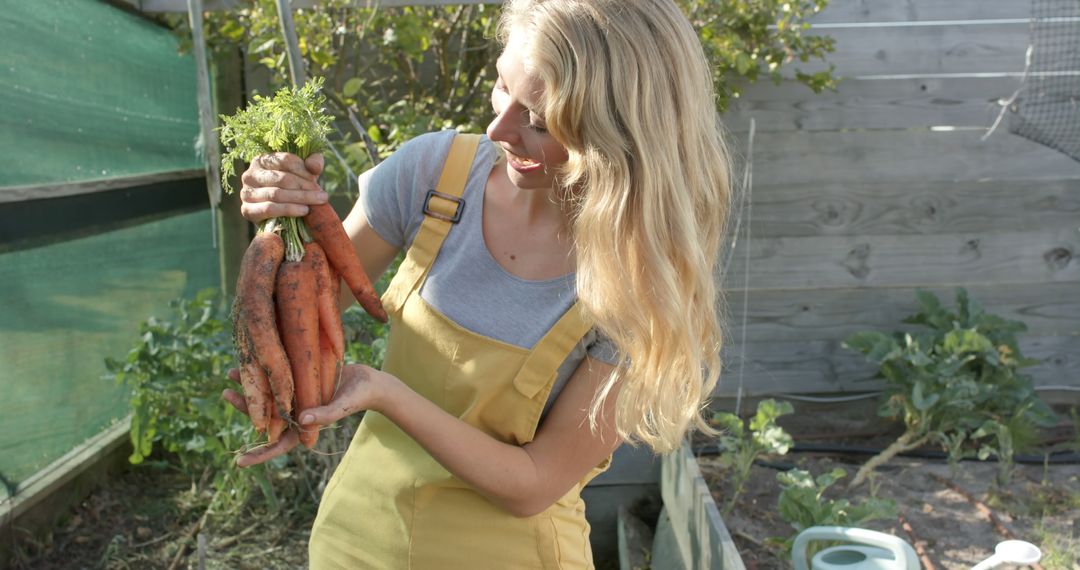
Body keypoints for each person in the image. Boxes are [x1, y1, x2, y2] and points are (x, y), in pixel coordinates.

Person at [223, 0, 732, 567]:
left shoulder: (640, 283)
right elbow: (302, 317)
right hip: (357, 540)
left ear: (621, 135)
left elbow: (535, 483)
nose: (498, 129)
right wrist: (282, 219)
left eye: (539, 122)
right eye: (500, 85)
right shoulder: (433, 176)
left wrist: (385, 393)